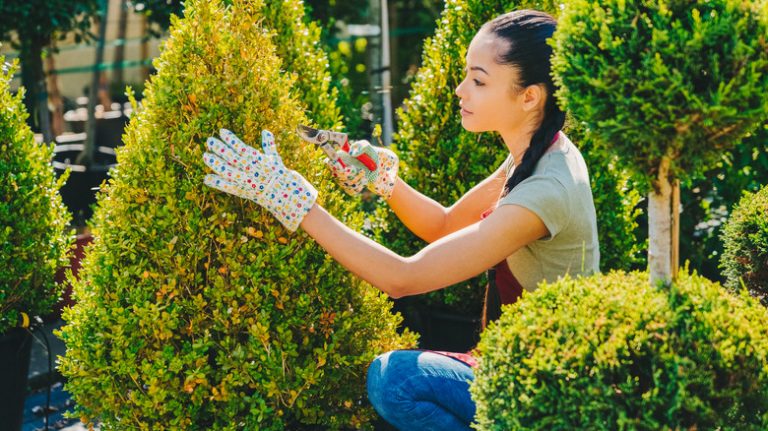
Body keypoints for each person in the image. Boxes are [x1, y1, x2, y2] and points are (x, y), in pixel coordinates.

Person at [201, 9, 599, 431]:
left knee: (396, 379)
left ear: (529, 96)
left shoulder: (546, 188)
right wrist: (385, 181)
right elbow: (444, 225)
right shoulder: (536, 152)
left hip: (552, 389)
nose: (461, 90)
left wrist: (294, 203)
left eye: (479, 81)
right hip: (520, 362)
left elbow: (402, 278)